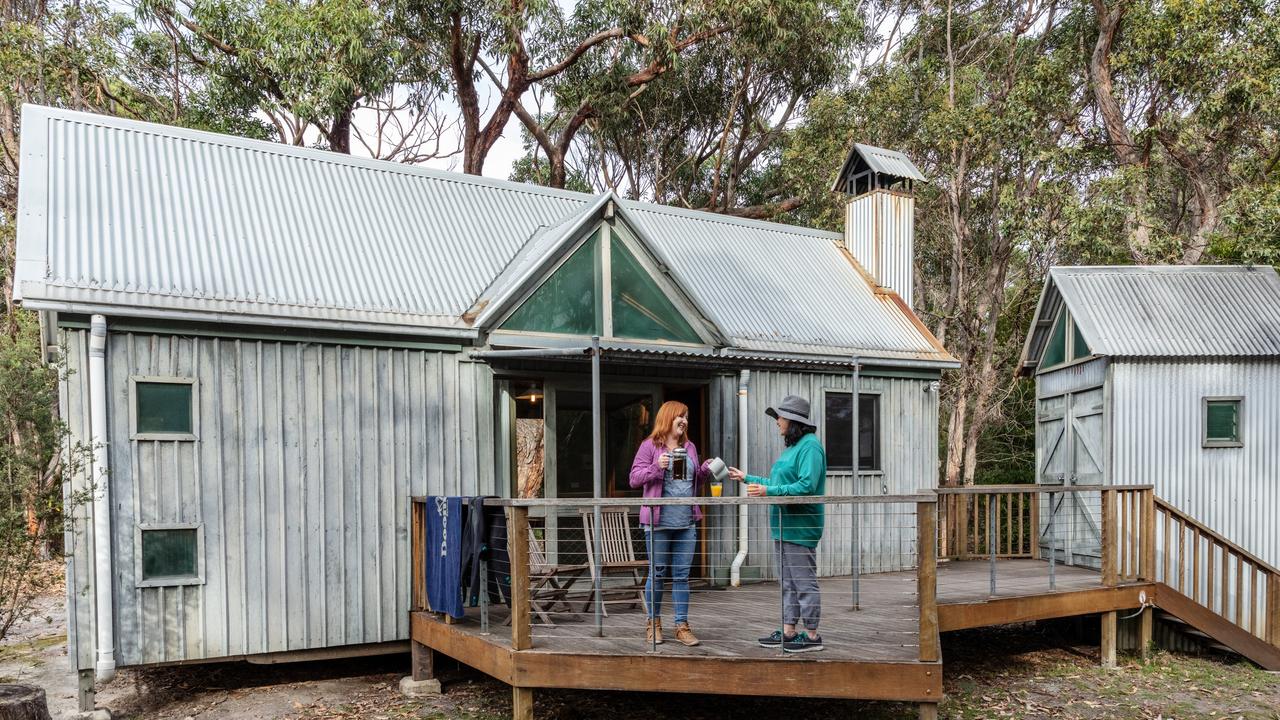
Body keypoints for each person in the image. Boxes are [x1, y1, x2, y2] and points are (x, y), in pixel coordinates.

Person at [727, 394, 827, 653]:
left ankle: (813, 636)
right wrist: (746, 477)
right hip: (783, 525)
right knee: (787, 582)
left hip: (801, 526)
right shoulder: (793, 448)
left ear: (793, 421)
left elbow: (806, 486)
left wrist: (768, 492)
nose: (777, 422)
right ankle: (789, 631)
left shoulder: (810, 446)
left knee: (803, 583)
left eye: (780, 417)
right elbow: (776, 483)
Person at [629, 400, 712, 647]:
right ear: (668, 418)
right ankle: (653, 624)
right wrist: (657, 467)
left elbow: (692, 481)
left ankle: (681, 626)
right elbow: (634, 478)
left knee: (682, 576)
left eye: (686, 416)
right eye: (680, 416)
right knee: (657, 574)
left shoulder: (690, 447)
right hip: (659, 523)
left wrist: (704, 471)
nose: (684, 420)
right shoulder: (649, 446)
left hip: (686, 522)